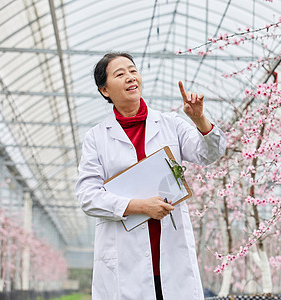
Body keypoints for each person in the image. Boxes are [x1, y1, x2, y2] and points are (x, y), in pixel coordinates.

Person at [75, 52, 226, 300]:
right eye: (120, 74)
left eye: (133, 70)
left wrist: (199, 119)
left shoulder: (171, 124)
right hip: (125, 262)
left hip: (171, 256)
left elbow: (209, 154)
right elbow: (87, 196)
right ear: (105, 90)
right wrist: (138, 206)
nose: (130, 77)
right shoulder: (97, 137)